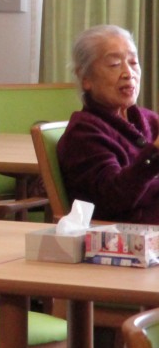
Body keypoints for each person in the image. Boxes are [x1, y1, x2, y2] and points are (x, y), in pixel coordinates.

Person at [57, 24, 159, 224]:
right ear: (85, 79)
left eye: (133, 62)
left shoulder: (150, 120)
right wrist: (154, 155)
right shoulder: (84, 133)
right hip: (125, 236)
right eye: (114, 64)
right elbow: (113, 198)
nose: (128, 73)